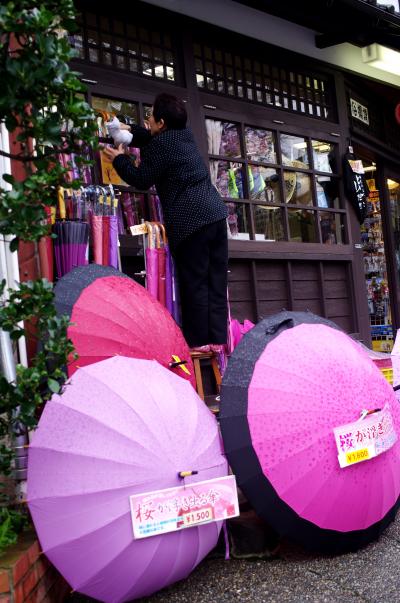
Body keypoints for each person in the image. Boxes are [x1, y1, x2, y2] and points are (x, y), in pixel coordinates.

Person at [103, 93, 228, 353]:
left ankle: (199, 341)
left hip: (191, 220)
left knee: (194, 281)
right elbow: (150, 138)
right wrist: (130, 130)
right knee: (215, 279)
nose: (147, 120)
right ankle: (216, 338)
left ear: (161, 122)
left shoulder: (161, 146)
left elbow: (141, 178)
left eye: (150, 116)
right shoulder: (186, 137)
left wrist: (119, 158)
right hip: (215, 214)